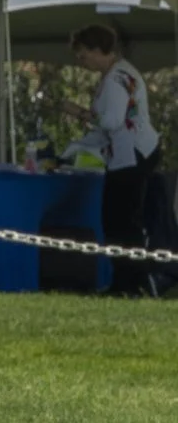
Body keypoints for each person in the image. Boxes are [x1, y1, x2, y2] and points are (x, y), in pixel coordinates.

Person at [70, 24, 161, 298]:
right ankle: (125, 282)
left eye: (83, 55)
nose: (81, 61)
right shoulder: (118, 73)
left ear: (99, 50)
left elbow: (111, 121)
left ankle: (134, 283)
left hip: (133, 154)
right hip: (127, 153)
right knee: (118, 220)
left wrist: (79, 113)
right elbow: (108, 129)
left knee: (122, 221)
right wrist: (77, 147)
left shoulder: (116, 79)